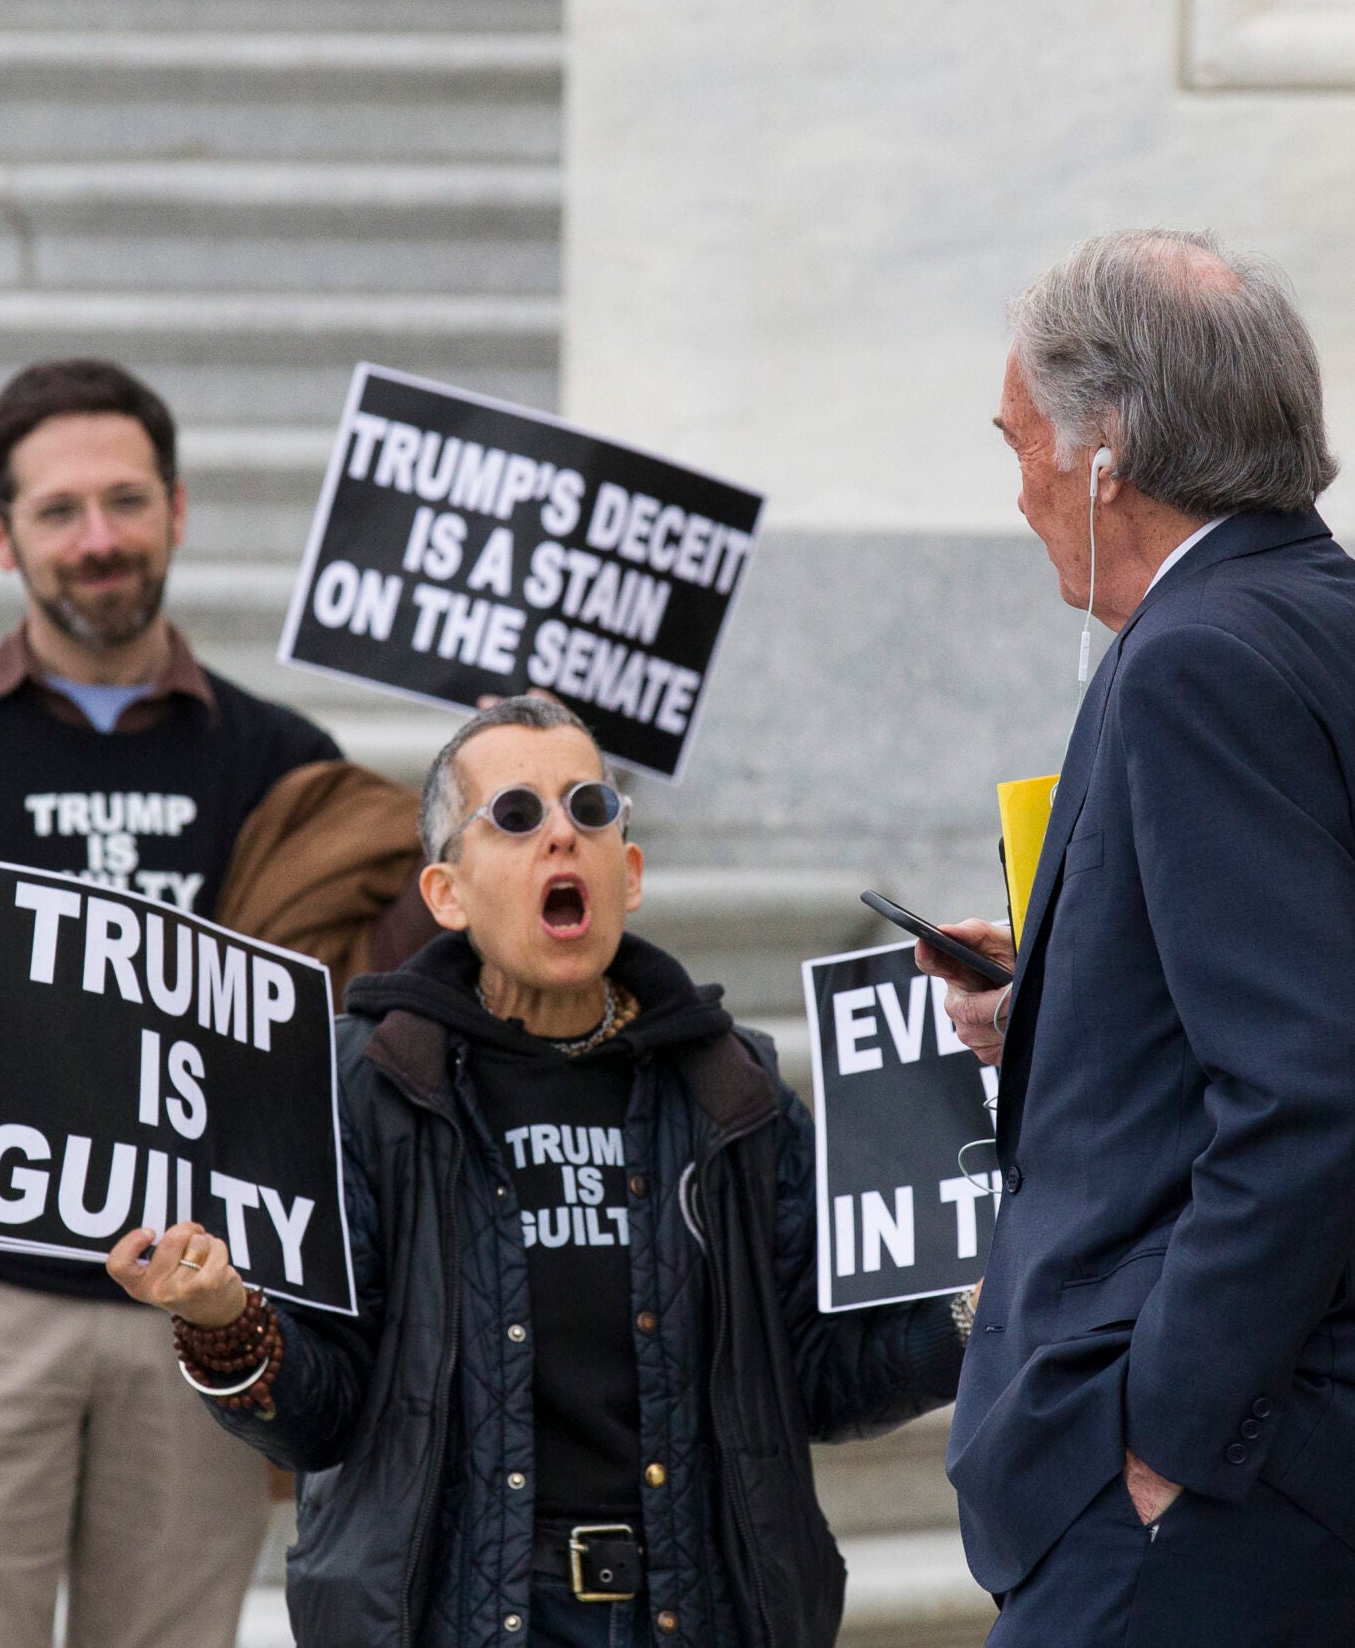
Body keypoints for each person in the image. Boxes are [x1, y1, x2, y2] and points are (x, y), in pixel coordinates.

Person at [918, 229, 1355, 1645]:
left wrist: (1168, 1438)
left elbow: (1307, 1085)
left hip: (1243, 1495)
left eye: (1022, 443)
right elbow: (1344, 996)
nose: (1020, 491)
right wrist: (1058, 1007)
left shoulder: (1200, 658)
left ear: (1106, 447)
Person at [109, 695, 965, 1648]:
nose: (562, 833)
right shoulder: (364, 1089)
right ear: (446, 892)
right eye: (516, 816)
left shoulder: (734, 1090)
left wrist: (977, 1306)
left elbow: (816, 1374)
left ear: (628, 872)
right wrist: (228, 1322)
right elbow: (326, 1413)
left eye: (590, 809)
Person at [0, 358, 355, 1647]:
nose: (100, 540)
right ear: (0, 535)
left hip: (196, 1320)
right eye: (59, 510)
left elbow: (353, 1023)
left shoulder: (281, 765)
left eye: (127, 502)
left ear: (181, 511)